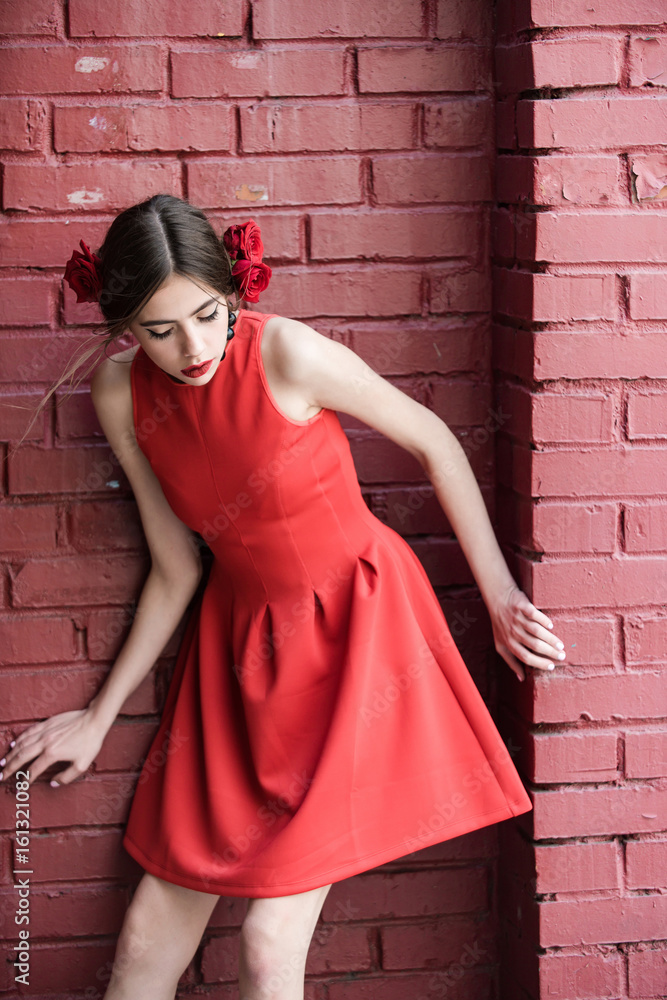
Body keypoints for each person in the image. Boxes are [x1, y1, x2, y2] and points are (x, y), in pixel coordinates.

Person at [1, 194, 566, 999]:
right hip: (236, 656)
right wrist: (99, 715)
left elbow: (433, 440)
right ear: (123, 324)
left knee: (267, 946)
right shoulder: (119, 392)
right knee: (141, 946)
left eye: (207, 314)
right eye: (159, 330)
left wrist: (501, 592)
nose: (192, 346)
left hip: (357, 636)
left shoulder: (287, 355)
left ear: (234, 289)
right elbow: (175, 566)